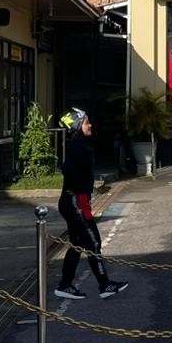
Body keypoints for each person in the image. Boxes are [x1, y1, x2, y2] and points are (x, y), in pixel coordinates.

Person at [54, 108, 127, 300]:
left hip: (75, 200)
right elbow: (68, 169)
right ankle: (104, 285)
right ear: (77, 126)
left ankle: (65, 285)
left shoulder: (79, 144)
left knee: (77, 243)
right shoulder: (78, 146)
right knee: (93, 242)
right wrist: (80, 188)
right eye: (86, 122)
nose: (90, 125)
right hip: (75, 202)